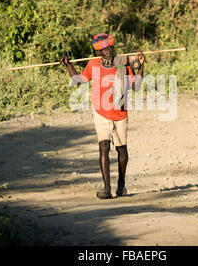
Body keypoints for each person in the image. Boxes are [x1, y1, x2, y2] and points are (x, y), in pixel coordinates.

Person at [60, 33, 145, 199]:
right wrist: (68, 65)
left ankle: (121, 186)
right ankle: (107, 188)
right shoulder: (93, 65)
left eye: (110, 48)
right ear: (98, 53)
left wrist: (141, 65)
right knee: (104, 146)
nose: (108, 52)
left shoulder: (123, 64)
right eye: (104, 50)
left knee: (122, 149)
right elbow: (79, 81)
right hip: (100, 111)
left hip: (120, 111)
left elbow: (136, 87)